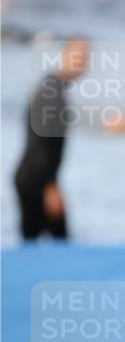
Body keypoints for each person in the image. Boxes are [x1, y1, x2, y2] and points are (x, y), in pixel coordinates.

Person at [13, 37, 89, 240]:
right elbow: (40, 144)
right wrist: (50, 187)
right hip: (34, 179)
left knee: (40, 241)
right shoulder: (51, 93)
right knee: (54, 241)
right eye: (78, 57)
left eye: (85, 58)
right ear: (65, 56)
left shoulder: (53, 87)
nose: (83, 64)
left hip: (34, 177)